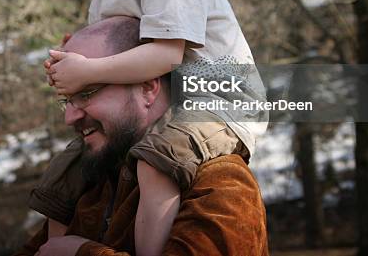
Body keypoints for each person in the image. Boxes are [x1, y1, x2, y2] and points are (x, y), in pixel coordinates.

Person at [34, 0, 267, 256]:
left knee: (155, 162)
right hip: (167, 102)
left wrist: (88, 72)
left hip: (220, 103)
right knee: (67, 168)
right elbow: (112, 55)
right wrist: (69, 63)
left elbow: (166, 56)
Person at [16, 17, 269, 256]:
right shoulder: (95, 182)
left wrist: (82, 252)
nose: (69, 118)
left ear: (148, 88)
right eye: (67, 101)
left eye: (87, 93)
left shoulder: (220, 183)